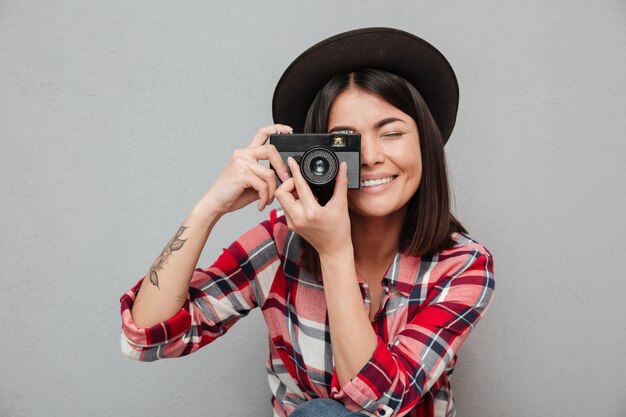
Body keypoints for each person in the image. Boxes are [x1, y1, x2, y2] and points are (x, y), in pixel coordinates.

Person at [119, 27, 495, 417]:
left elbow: (380, 402)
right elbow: (146, 338)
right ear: (317, 155)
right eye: (344, 141)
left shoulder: (464, 265)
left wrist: (334, 253)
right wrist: (208, 208)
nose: (369, 157)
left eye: (392, 133)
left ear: (424, 144)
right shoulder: (283, 244)